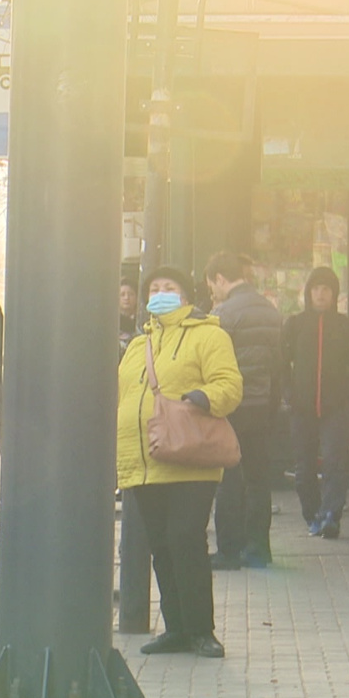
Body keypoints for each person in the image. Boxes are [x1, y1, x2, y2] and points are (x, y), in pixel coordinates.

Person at [117, 266, 243, 659]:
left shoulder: (209, 334)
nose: (160, 293)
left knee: (185, 538)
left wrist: (200, 399)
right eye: (154, 288)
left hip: (189, 457)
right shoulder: (141, 344)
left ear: (187, 296)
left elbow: (229, 384)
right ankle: (176, 628)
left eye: (169, 287)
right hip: (143, 461)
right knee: (162, 546)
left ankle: (201, 630)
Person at [205, 252, 283, 570]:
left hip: (233, 406)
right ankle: (259, 549)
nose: (213, 293)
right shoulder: (270, 309)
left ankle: (229, 550)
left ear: (221, 279)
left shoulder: (223, 313)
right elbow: (279, 362)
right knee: (258, 479)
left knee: (229, 478)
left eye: (212, 286)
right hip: (263, 405)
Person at [281, 266, 349, 539]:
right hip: (301, 409)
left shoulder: (346, 326)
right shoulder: (295, 324)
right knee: (304, 468)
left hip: (335, 408)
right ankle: (312, 514)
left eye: (326, 289)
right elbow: (282, 363)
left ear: (334, 293)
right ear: (308, 292)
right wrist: (289, 394)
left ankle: (330, 516)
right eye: (316, 288)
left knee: (335, 463)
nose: (321, 293)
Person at [118, 275, 138, 356]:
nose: (126, 298)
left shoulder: (142, 321)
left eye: (131, 294)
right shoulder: (111, 322)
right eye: (122, 294)